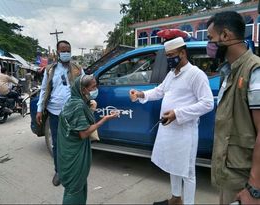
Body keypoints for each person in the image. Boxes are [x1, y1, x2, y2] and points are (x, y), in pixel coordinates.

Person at [129, 37, 214, 205]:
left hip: (185, 131)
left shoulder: (196, 74)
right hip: (169, 129)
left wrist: (177, 113)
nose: (169, 59)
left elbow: (207, 103)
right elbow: (160, 91)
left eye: (172, 55)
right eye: (167, 56)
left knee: (188, 172)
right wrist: (140, 94)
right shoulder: (172, 74)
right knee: (173, 165)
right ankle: (176, 198)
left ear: (183, 53)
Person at [207, 11, 260, 204]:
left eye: (211, 38)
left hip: (245, 181)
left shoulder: (254, 71)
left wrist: (254, 189)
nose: (209, 45)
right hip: (230, 175)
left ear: (226, 36)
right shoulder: (229, 71)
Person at [57, 75, 118, 204]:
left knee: (78, 183)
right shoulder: (78, 105)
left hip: (71, 149)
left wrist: (91, 108)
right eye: (93, 87)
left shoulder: (75, 101)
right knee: (74, 188)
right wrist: (105, 119)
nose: (95, 89)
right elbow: (84, 134)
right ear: (83, 89)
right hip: (74, 152)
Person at [36, 40, 83, 186]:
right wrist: (39, 109)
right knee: (57, 143)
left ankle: (74, 169)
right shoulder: (50, 70)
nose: (66, 52)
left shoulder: (78, 69)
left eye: (68, 50)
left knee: (74, 141)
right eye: (63, 50)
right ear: (57, 52)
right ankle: (59, 171)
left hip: (73, 112)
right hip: (54, 112)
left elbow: (86, 86)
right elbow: (44, 89)